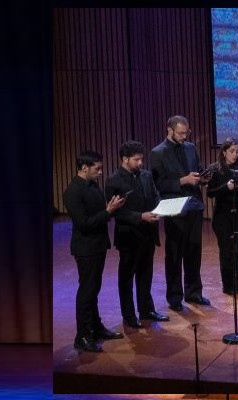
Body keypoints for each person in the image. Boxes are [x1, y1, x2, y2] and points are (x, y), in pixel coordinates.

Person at [63, 150, 127, 352]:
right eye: (97, 169)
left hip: (98, 245)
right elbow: (83, 224)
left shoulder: (92, 186)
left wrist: (112, 208)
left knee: (93, 289)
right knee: (87, 291)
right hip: (86, 248)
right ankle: (82, 335)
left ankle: (96, 327)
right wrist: (108, 211)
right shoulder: (73, 191)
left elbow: (99, 214)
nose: (100, 172)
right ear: (84, 168)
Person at [150, 116, 212, 312]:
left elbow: (197, 170)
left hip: (194, 205)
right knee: (175, 254)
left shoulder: (191, 148)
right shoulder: (158, 153)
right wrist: (182, 181)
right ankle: (175, 296)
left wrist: (203, 177)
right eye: (181, 133)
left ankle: (194, 292)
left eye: (187, 133)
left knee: (194, 251)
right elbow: (158, 184)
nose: (185, 136)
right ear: (169, 130)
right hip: (174, 209)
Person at [107, 140, 170, 329]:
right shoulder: (114, 180)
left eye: (141, 159)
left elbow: (155, 196)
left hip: (148, 234)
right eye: (136, 159)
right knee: (126, 278)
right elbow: (115, 212)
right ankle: (129, 315)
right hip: (129, 236)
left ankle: (146, 310)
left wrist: (161, 208)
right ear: (125, 159)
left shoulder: (146, 176)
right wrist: (140, 216)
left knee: (145, 274)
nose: (140, 163)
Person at [207, 138, 238, 296]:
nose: (235, 155)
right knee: (226, 250)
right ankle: (228, 285)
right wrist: (226, 187)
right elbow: (210, 193)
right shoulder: (215, 169)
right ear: (224, 152)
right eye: (232, 151)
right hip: (222, 215)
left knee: (237, 250)